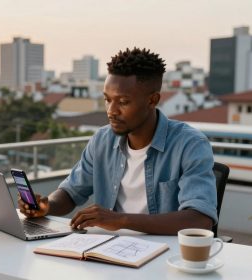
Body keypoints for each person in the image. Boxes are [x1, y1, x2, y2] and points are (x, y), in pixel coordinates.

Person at [18, 47, 217, 235]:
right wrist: (47, 206)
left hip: (163, 256)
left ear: (152, 100)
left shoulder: (190, 145)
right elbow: (71, 192)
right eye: (107, 99)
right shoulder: (102, 140)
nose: (111, 111)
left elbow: (199, 219)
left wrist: (121, 220)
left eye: (122, 102)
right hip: (108, 251)